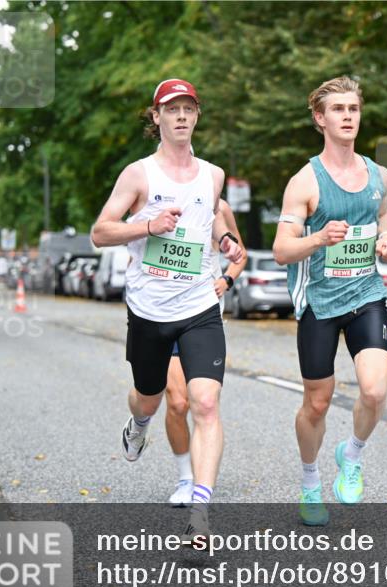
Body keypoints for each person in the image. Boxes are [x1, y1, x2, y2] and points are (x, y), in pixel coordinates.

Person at [90, 78, 244, 542]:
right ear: (155, 117)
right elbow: (100, 232)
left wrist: (225, 240)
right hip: (150, 309)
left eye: (188, 108)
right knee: (149, 398)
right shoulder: (138, 175)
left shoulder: (212, 174)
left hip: (199, 305)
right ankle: (138, 425)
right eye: (171, 109)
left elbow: (209, 217)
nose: (180, 116)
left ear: (197, 116)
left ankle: (200, 510)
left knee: (205, 403)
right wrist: (147, 226)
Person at [272, 76, 387, 527]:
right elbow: (282, 249)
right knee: (318, 404)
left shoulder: (378, 176)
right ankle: (310, 484)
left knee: (375, 390)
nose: (348, 116)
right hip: (319, 303)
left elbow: (383, 218)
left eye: (354, 109)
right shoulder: (305, 182)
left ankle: (353, 454)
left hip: (367, 295)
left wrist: (385, 241)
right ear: (320, 119)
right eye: (338, 109)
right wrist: (320, 238)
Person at [165, 199, 246, 506]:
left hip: (202, 314)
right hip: (161, 313)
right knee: (176, 402)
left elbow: (240, 255)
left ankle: (193, 485)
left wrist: (227, 279)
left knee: (203, 402)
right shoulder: (154, 195)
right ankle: (182, 472)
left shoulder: (218, 207)